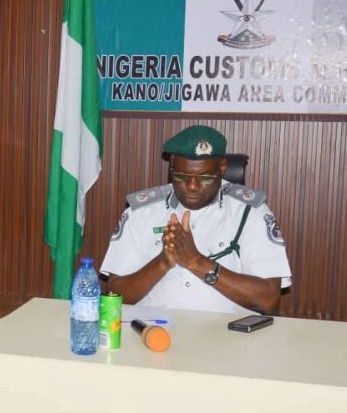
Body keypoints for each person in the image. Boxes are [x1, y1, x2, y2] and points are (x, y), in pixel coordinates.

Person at [100, 125, 292, 315]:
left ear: (222, 168)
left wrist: (196, 262)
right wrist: (163, 263)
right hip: (153, 334)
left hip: (229, 339)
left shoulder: (250, 213)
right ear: (172, 165)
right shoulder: (142, 213)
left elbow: (269, 299)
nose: (192, 186)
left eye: (205, 177)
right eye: (182, 176)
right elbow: (114, 294)